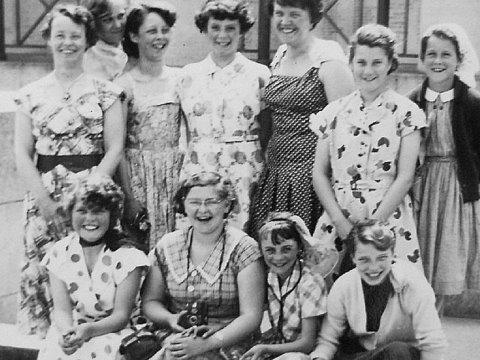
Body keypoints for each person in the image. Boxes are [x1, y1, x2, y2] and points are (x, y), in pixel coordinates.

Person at [14, 4, 125, 337]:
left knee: (91, 272)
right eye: (60, 35)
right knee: (44, 270)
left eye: (75, 36)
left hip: (94, 196)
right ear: (48, 39)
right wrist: (47, 204)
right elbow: (21, 153)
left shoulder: (107, 91)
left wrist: (89, 196)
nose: (68, 43)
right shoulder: (30, 94)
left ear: (87, 40)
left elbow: (115, 146)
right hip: (43, 198)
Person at [310, 24, 425, 275]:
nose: (368, 70)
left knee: (390, 286)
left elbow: (406, 176)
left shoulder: (406, 112)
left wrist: (374, 225)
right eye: (361, 62)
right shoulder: (333, 112)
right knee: (323, 287)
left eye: (377, 63)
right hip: (339, 214)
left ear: (390, 65)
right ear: (350, 64)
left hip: (387, 213)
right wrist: (340, 221)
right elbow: (318, 173)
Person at [247, 0, 355, 236]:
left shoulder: (329, 60)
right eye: (279, 14)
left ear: (312, 18)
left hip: (311, 177)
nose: (285, 21)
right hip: (276, 172)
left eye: (294, 14)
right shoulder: (281, 55)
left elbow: (345, 129)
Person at [141, 172, 265, 359]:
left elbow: (251, 317)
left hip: (228, 339)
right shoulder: (168, 245)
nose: (203, 210)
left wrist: (208, 343)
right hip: (176, 338)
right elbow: (150, 302)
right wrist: (170, 318)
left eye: (211, 201)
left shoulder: (244, 248)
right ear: (183, 205)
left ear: (226, 205)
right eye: (195, 202)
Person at [178, 0, 271, 230]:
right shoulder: (188, 76)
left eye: (230, 28)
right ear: (205, 29)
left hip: (246, 168)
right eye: (216, 27)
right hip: (200, 166)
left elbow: (268, 129)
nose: (222, 35)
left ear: (241, 31)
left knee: (243, 234)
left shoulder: (259, 74)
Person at [36, 174, 149, 360]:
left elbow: (121, 316)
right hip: (76, 329)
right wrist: (67, 334)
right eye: (82, 211)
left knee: (102, 350)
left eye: (98, 211)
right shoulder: (59, 252)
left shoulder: (129, 256)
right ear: (70, 213)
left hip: (117, 332)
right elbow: (62, 310)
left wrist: (89, 331)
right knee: (56, 348)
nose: (90, 219)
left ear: (112, 215)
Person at [408, 23, 480, 311]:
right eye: (432, 54)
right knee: (418, 261)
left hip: (455, 189)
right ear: (423, 59)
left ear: (458, 60)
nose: (438, 61)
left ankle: (432, 324)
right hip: (422, 188)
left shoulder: (472, 103)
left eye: (446, 55)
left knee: (446, 262)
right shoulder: (412, 101)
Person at [311, 220, 446, 360]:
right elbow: (328, 340)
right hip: (362, 354)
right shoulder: (343, 286)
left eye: (381, 258)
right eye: (364, 259)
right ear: (353, 258)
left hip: (404, 356)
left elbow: (432, 341)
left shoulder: (412, 283)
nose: (374, 268)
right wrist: (320, 357)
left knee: (398, 351)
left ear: (393, 254)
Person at [115, 0, 184, 250]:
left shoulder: (180, 78)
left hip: (173, 174)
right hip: (139, 176)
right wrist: (129, 195)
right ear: (134, 36)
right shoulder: (125, 85)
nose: (160, 37)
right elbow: (118, 146)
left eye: (165, 30)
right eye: (151, 31)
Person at [242, 212, 332, 360]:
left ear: (299, 247)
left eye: (286, 249)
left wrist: (265, 348)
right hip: (276, 347)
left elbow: (307, 343)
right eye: (270, 250)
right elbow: (250, 316)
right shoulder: (268, 275)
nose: (278, 258)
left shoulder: (310, 281)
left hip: (306, 354)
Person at [81, 0, 130, 80]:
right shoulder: (89, 61)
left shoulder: (132, 47)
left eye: (120, 16)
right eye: (108, 20)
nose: (117, 25)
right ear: (93, 23)